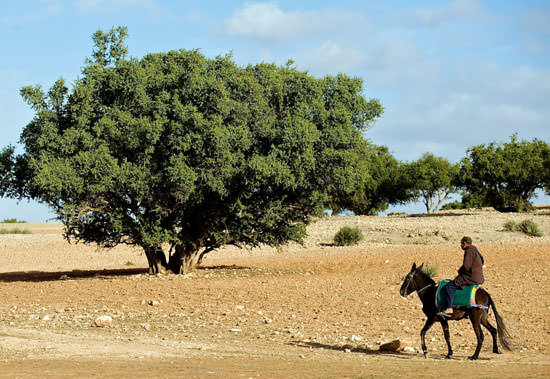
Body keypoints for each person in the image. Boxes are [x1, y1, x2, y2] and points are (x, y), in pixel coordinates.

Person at [437, 236, 485, 318]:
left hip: (471, 277)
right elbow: (482, 260)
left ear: (465, 244)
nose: (461, 245)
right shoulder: (474, 249)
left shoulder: (468, 251)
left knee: (450, 286)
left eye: (461, 243)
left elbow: (466, 266)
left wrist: (460, 272)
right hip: (479, 278)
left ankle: (449, 308)